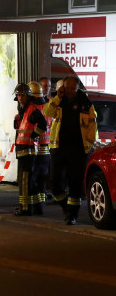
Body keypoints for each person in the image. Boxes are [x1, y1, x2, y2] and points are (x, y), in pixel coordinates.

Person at [43, 76, 98, 225]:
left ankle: (72, 215)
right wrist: (56, 98)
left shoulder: (86, 105)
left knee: (75, 184)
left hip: (78, 150)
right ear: (63, 88)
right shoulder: (57, 101)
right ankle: (66, 208)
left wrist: (90, 144)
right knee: (55, 185)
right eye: (66, 88)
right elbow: (47, 113)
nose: (69, 91)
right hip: (59, 149)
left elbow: (92, 127)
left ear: (77, 88)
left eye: (72, 89)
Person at [12, 83, 47, 216]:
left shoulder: (31, 109)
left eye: (22, 95)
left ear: (28, 96)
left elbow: (42, 124)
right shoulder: (25, 110)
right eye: (18, 95)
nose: (20, 98)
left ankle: (25, 207)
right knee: (30, 180)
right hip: (24, 149)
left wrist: (33, 135)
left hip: (28, 150)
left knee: (24, 180)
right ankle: (36, 206)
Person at [28, 81, 51, 212]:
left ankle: (36, 205)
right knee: (41, 178)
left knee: (34, 177)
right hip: (46, 148)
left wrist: (32, 136)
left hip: (36, 147)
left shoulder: (33, 108)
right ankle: (40, 205)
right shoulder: (47, 106)